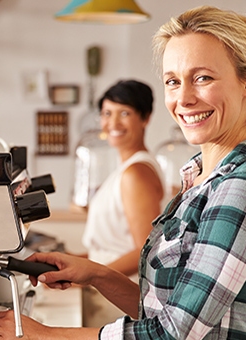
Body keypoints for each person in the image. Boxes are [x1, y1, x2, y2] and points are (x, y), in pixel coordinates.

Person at [0, 5, 246, 340]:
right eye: (173, 81)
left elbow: (173, 334)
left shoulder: (242, 188)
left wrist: (46, 335)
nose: (184, 98)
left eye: (203, 78)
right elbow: (163, 312)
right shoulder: (201, 179)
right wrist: (96, 274)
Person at [79, 80, 164, 326]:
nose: (113, 123)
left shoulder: (136, 173)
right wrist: (74, 260)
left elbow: (145, 250)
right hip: (107, 291)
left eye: (124, 113)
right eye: (107, 113)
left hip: (119, 297)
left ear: (145, 118)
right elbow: (114, 244)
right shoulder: (127, 169)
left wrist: (88, 276)